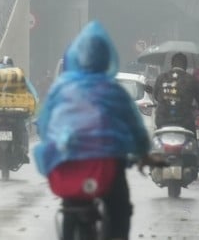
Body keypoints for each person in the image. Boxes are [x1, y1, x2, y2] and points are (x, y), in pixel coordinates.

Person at [36, 21, 153, 240]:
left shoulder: (60, 89)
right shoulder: (112, 90)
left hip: (67, 163)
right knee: (121, 209)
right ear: (106, 58)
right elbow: (135, 127)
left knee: (70, 202)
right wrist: (143, 152)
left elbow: (44, 125)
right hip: (107, 166)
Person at [152, 53, 199, 131]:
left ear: (172, 64)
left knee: (155, 140)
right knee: (193, 141)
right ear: (186, 66)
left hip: (162, 121)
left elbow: (155, 96)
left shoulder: (161, 77)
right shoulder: (192, 80)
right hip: (185, 123)